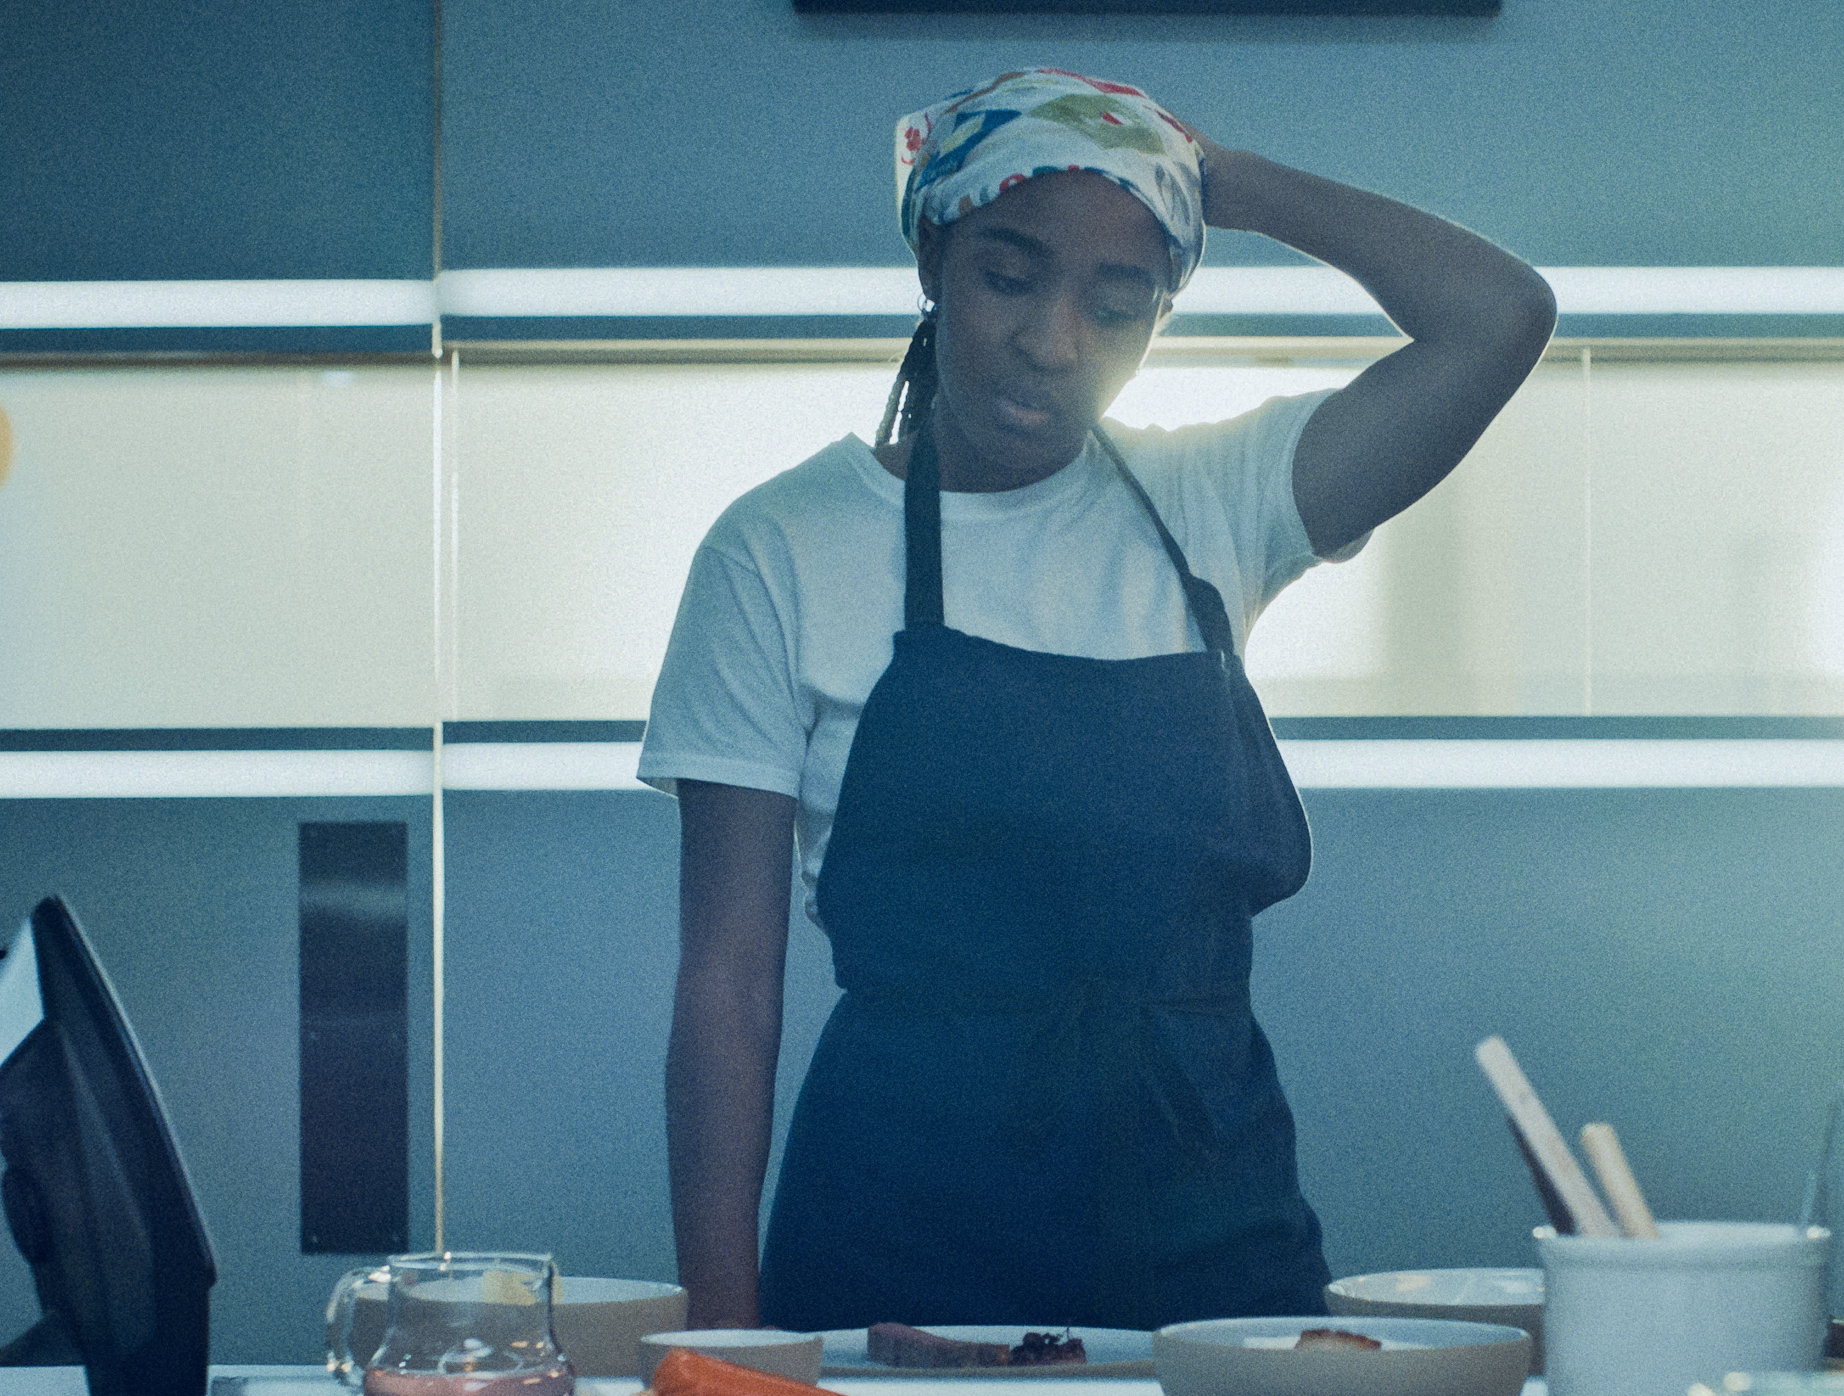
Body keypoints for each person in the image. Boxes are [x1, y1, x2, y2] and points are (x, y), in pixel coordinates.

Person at [639, 67, 1553, 1332]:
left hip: (1207, 1217)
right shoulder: (780, 547)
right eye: (1010, 275)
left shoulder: (1216, 499)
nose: (1054, 339)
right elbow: (728, 986)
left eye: (1118, 303)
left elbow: (1499, 317)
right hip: (899, 1228)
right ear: (934, 260)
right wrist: (723, 1335)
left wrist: (1219, 181)